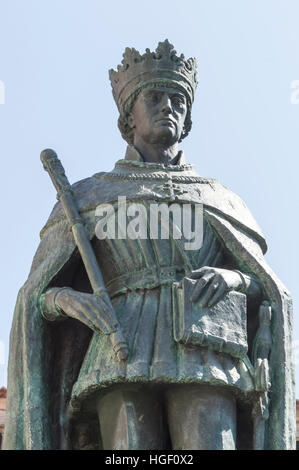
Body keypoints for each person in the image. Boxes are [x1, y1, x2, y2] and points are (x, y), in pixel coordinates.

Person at [3, 40, 295, 450]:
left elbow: (269, 291)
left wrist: (233, 277)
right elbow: (34, 297)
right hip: (118, 350)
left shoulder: (220, 199)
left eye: (178, 99)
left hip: (208, 351)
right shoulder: (91, 196)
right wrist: (69, 300)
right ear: (128, 116)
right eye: (154, 97)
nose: (168, 106)